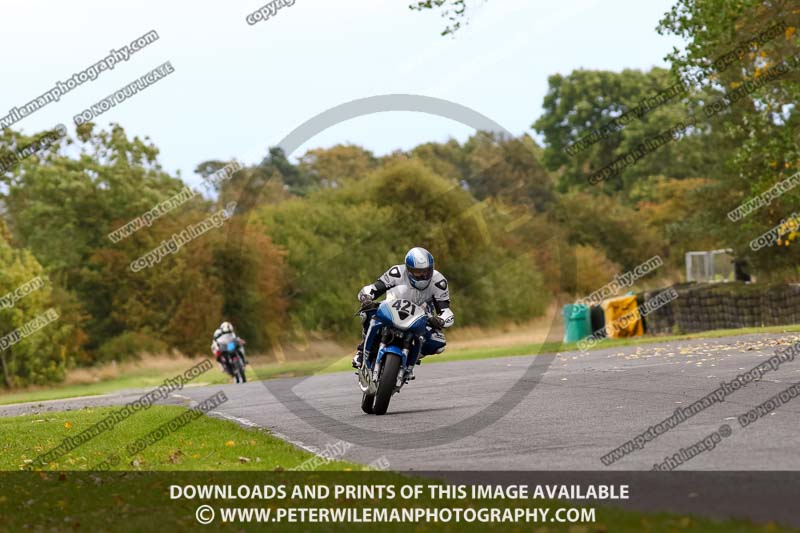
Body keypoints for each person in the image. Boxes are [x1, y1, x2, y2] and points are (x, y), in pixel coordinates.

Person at [352, 247, 454, 379]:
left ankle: (410, 360)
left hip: (421, 316)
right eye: (418, 272)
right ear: (408, 269)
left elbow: (445, 310)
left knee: (438, 343)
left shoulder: (439, 281)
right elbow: (374, 288)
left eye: (426, 271)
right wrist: (367, 298)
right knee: (368, 313)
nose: (423, 276)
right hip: (393, 308)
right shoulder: (396, 272)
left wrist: (440, 320)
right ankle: (362, 351)